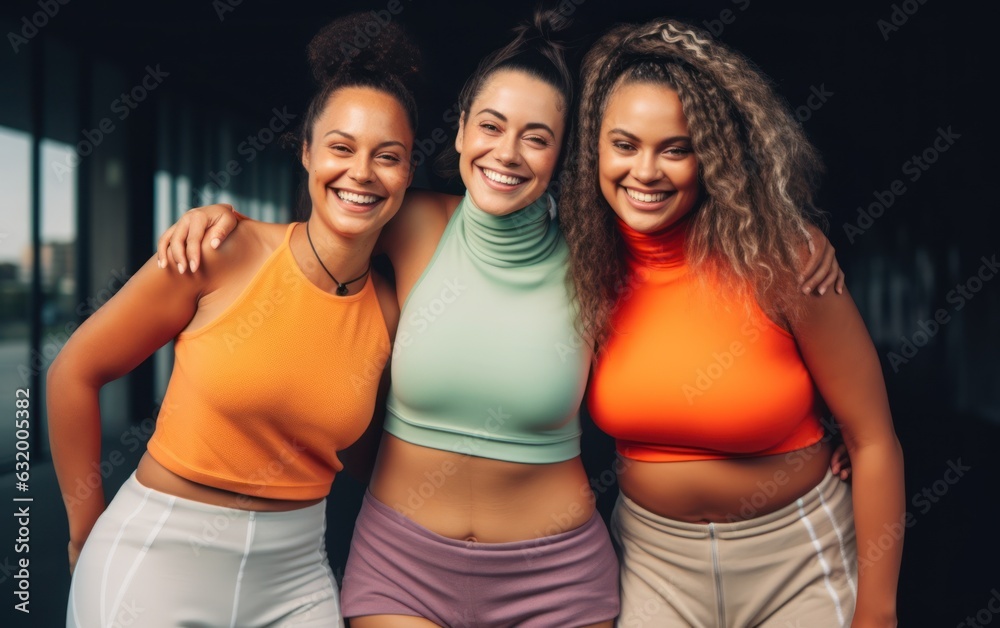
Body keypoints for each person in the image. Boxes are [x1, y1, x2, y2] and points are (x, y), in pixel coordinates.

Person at [154, 13, 846, 627]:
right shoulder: (415, 225)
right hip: (403, 568)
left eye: (536, 138)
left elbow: (701, 279)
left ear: (562, 156)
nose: (507, 154)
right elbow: (322, 228)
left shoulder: (599, 255)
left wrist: (800, 250)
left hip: (558, 579)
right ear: (459, 132)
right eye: (490, 126)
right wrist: (229, 224)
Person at [46, 15, 420, 627]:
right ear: (306, 152)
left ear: (408, 173)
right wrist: (83, 536)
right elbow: (72, 374)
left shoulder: (389, 307)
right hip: (156, 557)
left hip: (295, 575)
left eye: (389, 156)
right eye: (341, 147)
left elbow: (367, 453)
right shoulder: (219, 249)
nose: (362, 173)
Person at [560, 18, 904, 626]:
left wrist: (877, 613)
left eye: (676, 148)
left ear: (712, 156)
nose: (645, 171)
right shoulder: (579, 263)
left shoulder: (782, 259)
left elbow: (872, 439)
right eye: (624, 144)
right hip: (650, 567)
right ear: (594, 148)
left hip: (800, 559)